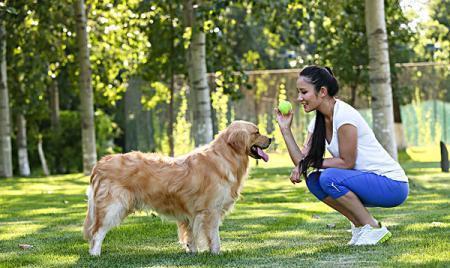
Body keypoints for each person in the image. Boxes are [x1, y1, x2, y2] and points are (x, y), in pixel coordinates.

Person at [275, 65, 409, 246]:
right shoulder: (318, 123)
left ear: (322, 91)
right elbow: (302, 161)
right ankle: (361, 226)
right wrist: (285, 129)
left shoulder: (344, 116)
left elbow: (347, 162)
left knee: (329, 177)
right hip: (364, 182)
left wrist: (308, 163)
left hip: (392, 185)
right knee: (314, 180)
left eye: (304, 92)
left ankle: (373, 227)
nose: (299, 98)